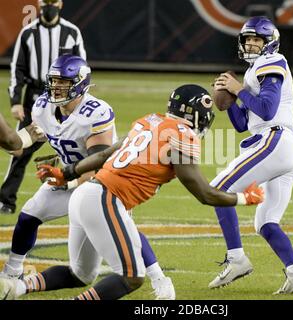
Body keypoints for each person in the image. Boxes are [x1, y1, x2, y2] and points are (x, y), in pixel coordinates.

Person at [0, 84, 264, 300]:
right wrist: (243, 198)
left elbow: (105, 154)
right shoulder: (182, 135)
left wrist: (66, 172)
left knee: (81, 275)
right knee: (131, 277)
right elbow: (204, 194)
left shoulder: (149, 121)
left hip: (86, 196)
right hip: (105, 199)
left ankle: (19, 287)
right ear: (196, 114)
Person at [0, 54, 177, 300]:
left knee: (125, 227)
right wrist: (8, 134)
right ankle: (12, 274)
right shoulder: (44, 107)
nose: (56, 87)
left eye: (63, 82)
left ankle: (159, 279)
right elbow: (21, 142)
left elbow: (97, 165)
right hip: (67, 176)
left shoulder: (95, 112)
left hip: (103, 181)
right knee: (30, 214)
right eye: (54, 81)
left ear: (81, 83)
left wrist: (67, 178)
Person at [208, 16, 293, 294]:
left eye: (257, 39)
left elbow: (266, 109)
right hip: (283, 148)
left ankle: (237, 259)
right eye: (248, 39)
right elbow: (243, 124)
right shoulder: (255, 70)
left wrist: (238, 89)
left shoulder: (272, 61)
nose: (251, 44)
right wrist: (227, 99)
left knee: (218, 189)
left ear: (270, 43)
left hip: (275, 140)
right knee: (265, 223)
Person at [0, 0, 86, 214]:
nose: (49, 5)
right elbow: (17, 68)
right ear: (39, 3)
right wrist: (16, 102)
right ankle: (6, 200)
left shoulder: (71, 32)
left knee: (79, 146)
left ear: (61, 3)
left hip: (68, 99)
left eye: (53, 1)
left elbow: (82, 69)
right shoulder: (28, 32)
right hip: (35, 99)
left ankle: (83, 191)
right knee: (20, 151)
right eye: (45, 1)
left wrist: (80, 99)